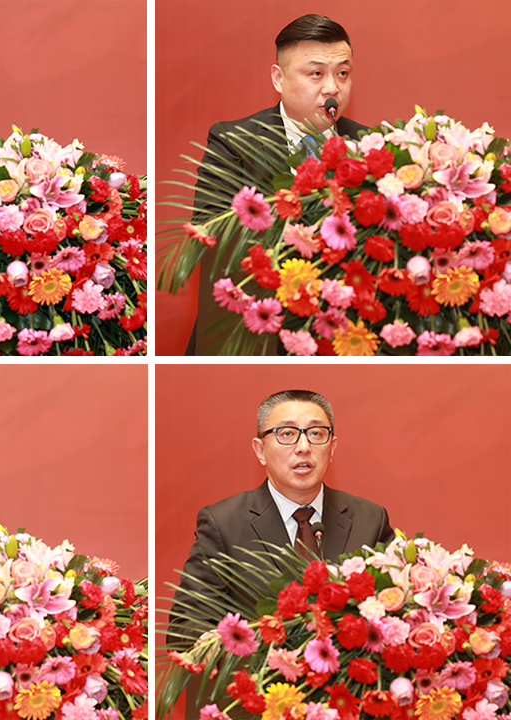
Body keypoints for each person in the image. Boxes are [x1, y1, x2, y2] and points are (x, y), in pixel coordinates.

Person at [186, 14, 369, 355]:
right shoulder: (234, 142)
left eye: (342, 73)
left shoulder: (371, 145)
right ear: (278, 78)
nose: (332, 88)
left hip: (346, 333)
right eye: (316, 74)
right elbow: (211, 231)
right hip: (256, 331)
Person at [169, 390, 394, 641]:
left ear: (332, 448)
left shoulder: (370, 520)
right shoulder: (223, 524)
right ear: (260, 450)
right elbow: (185, 627)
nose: (304, 447)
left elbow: (396, 613)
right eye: (287, 434)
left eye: (316, 434)